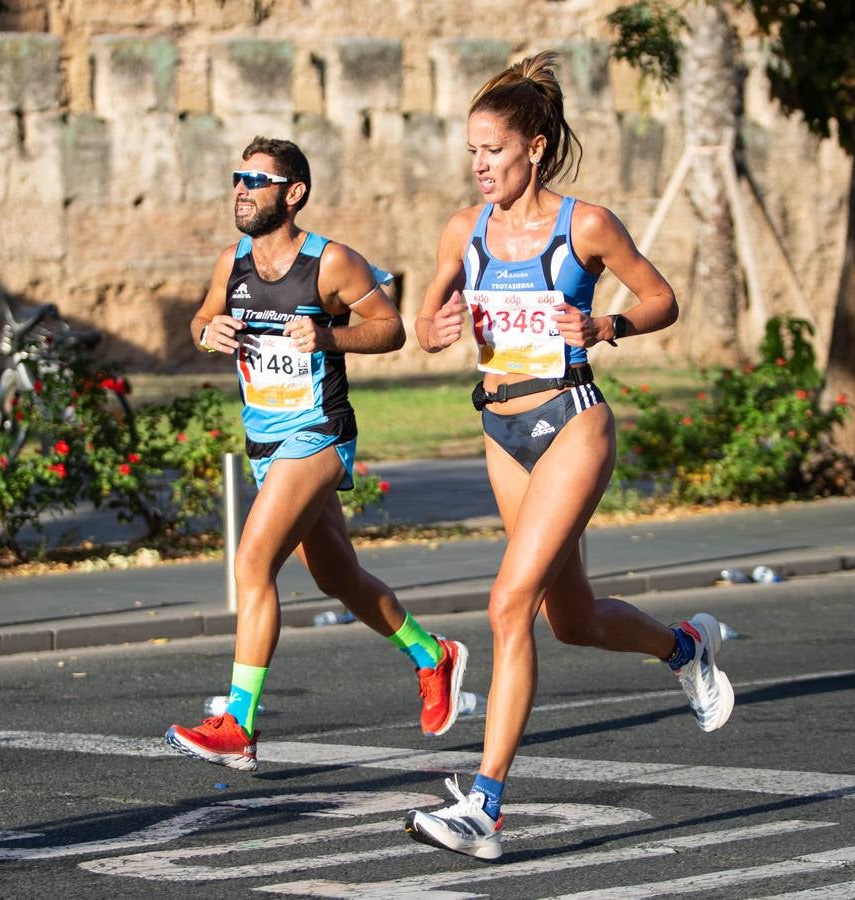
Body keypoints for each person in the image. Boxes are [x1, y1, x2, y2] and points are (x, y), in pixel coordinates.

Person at [402, 52, 734, 860]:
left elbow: (662, 298)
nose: (482, 167)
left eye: (496, 152)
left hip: (572, 421)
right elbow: (427, 316)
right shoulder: (463, 227)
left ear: (537, 148)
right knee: (570, 618)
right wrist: (433, 327)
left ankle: (484, 807)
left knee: (508, 605)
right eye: (473, 153)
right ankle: (685, 648)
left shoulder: (584, 224)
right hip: (500, 430)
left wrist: (607, 326)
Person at [164, 137, 469, 771]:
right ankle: (431, 653)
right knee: (336, 576)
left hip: (319, 433)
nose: (242, 190)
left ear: (293, 194)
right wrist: (206, 332)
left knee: (252, 563)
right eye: (237, 178)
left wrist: (326, 335)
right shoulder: (233, 263)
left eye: (257, 180)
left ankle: (238, 725)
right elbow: (199, 320)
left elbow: (389, 329)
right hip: (265, 439)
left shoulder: (330, 263)